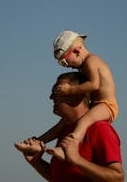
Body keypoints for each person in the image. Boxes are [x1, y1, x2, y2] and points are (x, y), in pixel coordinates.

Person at [15, 30, 119, 159]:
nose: (66, 66)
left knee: (85, 121)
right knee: (63, 123)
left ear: (77, 51)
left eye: (64, 61)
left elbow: (94, 84)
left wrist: (69, 90)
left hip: (106, 105)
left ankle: (69, 148)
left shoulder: (91, 61)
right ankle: (37, 142)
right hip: (96, 104)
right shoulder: (84, 65)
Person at [14, 72, 124, 182]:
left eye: (57, 90)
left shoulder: (100, 129)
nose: (51, 97)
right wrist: (36, 162)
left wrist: (76, 159)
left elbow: (117, 178)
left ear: (77, 95)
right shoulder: (65, 131)